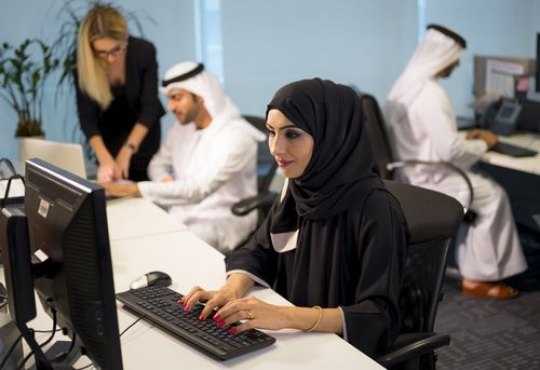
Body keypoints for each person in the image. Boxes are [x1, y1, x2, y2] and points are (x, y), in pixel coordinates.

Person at [179, 78, 409, 358]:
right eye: (271, 132)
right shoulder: (299, 188)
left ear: (331, 135)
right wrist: (230, 290)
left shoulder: (376, 209)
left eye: (292, 134)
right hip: (297, 343)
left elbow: (377, 316)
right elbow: (259, 250)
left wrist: (283, 316)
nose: (276, 148)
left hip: (341, 353)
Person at [384, 23, 527, 299]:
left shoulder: (405, 84)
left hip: (411, 174)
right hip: (433, 178)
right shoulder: (431, 93)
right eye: (455, 56)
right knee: (494, 196)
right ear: (442, 55)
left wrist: (465, 137)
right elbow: (450, 152)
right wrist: (483, 142)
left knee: (486, 189)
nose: (458, 63)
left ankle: (471, 265)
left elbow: (429, 137)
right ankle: (479, 278)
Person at [102, 61, 265, 254]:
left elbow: (199, 189)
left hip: (222, 219)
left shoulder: (236, 135)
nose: (170, 107)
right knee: (130, 230)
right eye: (170, 99)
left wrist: (130, 189)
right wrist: (163, 179)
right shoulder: (182, 128)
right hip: (182, 208)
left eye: (177, 98)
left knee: (171, 248)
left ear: (201, 96)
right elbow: (157, 163)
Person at [75, 4, 165, 182]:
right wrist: (105, 159)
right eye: (102, 52)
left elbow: (150, 107)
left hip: (143, 134)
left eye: (117, 49)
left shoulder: (143, 51)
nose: (110, 58)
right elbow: (87, 118)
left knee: (142, 188)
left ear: (125, 38)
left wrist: (127, 151)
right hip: (108, 137)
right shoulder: (82, 62)